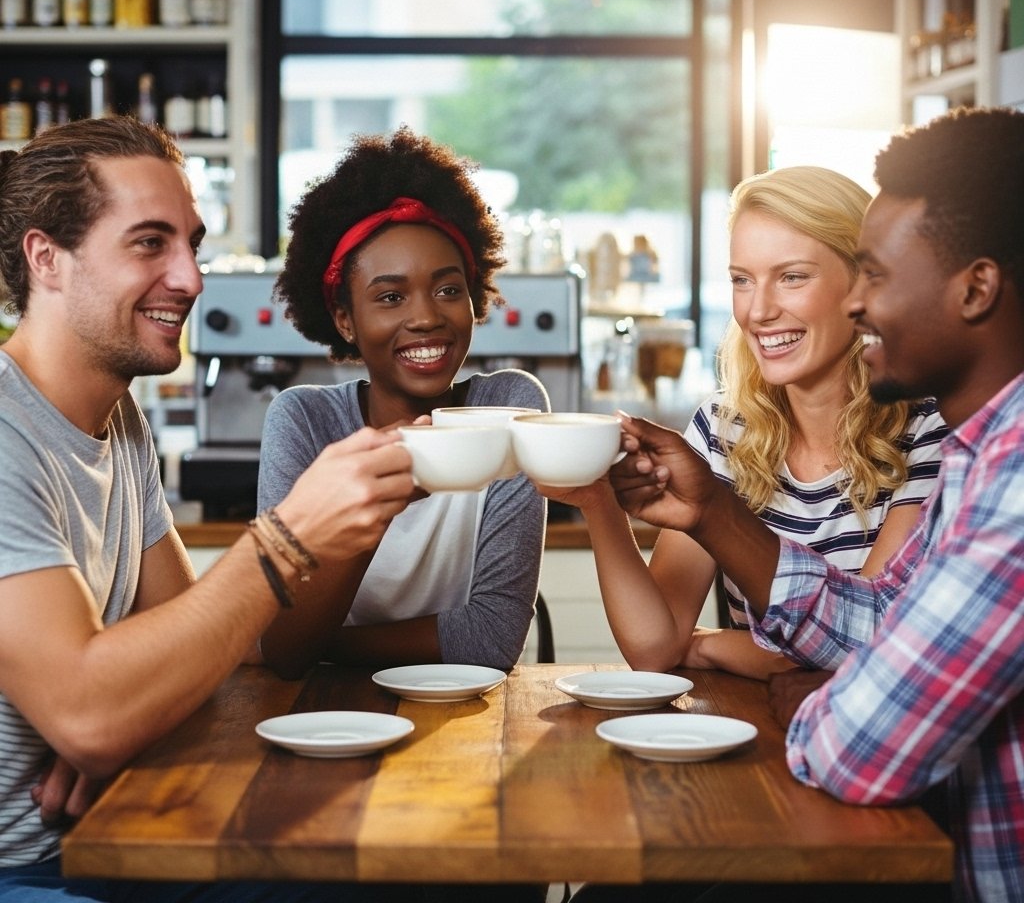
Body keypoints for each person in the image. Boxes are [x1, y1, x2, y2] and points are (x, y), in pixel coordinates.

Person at [0, 115, 421, 901]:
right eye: (149, 243)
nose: (191, 277)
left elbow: (215, 649)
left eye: (190, 242)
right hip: (29, 873)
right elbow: (93, 714)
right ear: (46, 258)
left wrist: (120, 732)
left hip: (117, 831)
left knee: (393, 871)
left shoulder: (114, 420)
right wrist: (288, 538)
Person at [609, 106, 1024, 903]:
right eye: (741, 278)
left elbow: (860, 745)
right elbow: (878, 622)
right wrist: (711, 512)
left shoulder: (995, 476)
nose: (860, 304)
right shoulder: (984, 455)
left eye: (874, 275)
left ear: (976, 288)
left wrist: (836, 687)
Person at [538, 166, 945, 680]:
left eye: (792, 276)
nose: (758, 311)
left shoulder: (927, 431)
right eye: (742, 280)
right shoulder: (724, 428)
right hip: (749, 733)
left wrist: (711, 648)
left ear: (863, 281)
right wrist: (599, 502)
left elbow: (869, 646)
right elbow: (656, 648)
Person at [256, 127, 548, 679]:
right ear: (345, 319)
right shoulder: (305, 423)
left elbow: (490, 640)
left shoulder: (509, 406)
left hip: (468, 721)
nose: (426, 317)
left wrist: (321, 645)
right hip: (324, 720)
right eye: (390, 297)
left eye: (447, 289)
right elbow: (284, 646)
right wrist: (379, 502)